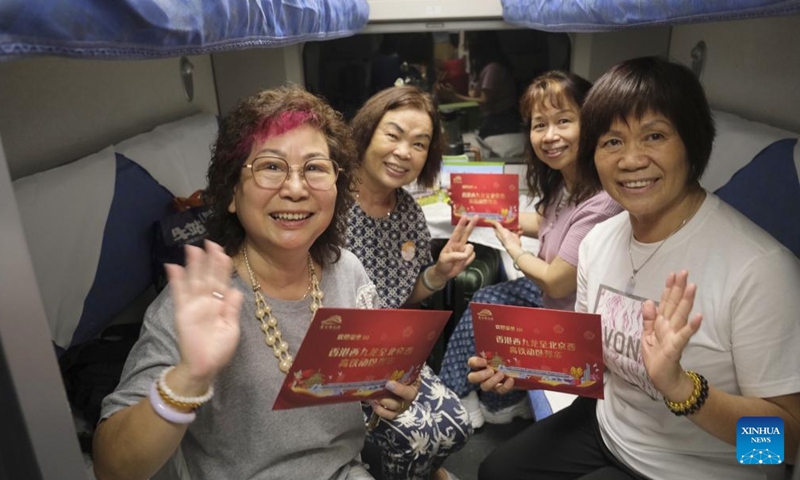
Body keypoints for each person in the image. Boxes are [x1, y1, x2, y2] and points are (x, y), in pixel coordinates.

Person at [469, 57, 800, 479]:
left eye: (654, 136)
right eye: (611, 142)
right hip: (609, 428)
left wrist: (685, 391)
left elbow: (785, 444)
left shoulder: (761, 270)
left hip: (698, 466)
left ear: (693, 144)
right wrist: (522, 366)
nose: (630, 160)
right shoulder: (597, 241)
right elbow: (592, 365)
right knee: (495, 471)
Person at [93, 86, 422, 480]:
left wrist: (390, 394)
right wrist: (189, 376)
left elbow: (370, 378)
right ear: (232, 193)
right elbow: (112, 468)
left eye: (315, 168)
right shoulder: (194, 304)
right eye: (270, 166)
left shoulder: (347, 270)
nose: (296, 189)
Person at [438, 71, 622, 428]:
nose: (550, 136)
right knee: (485, 299)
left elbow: (555, 283)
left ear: (591, 123)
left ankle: (459, 398)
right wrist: (479, 209)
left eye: (564, 121)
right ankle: (473, 396)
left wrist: (516, 252)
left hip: (570, 315)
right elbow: (544, 220)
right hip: (554, 299)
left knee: (487, 307)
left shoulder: (602, 201)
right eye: (540, 125)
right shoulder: (567, 182)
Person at [347, 85, 478, 480]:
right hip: (340, 352)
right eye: (393, 135)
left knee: (457, 424)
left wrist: (439, 273)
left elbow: (407, 294)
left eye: (419, 144)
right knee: (416, 436)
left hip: (391, 349)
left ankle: (419, 470)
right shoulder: (326, 202)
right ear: (367, 133)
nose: (405, 152)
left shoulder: (408, 212)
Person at [435, 31, 521, 140]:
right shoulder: (489, 68)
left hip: (499, 120)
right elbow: (477, 94)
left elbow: (486, 100)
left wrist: (455, 96)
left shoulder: (493, 69)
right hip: (498, 120)